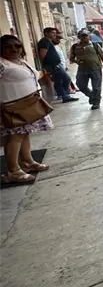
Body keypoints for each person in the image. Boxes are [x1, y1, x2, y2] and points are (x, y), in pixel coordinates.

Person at [0, 35, 52, 184]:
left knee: (24, 134)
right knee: (15, 137)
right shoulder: (2, 64)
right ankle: (13, 171)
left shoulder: (20, 62)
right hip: (12, 108)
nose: (14, 49)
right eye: (8, 46)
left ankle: (27, 162)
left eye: (17, 46)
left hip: (28, 105)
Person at [69, 30, 103, 110]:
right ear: (79, 37)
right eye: (82, 36)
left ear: (89, 36)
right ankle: (91, 95)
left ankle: (96, 103)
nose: (85, 38)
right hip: (82, 70)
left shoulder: (94, 45)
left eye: (86, 36)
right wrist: (77, 61)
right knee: (80, 85)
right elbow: (71, 58)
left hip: (95, 68)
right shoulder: (75, 47)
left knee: (96, 87)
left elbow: (102, 56)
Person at [39, 28, 78, 103]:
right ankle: (65, 95)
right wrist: (45, 65)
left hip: (55, 64)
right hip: (53, 65)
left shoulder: (49, 41)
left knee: (58, 80)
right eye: (52, 33)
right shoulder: (45, 42)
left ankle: (64, 95)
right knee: (66, 79)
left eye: (54, 33)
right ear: (46, 33)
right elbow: (42, 55)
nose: (54, 34)